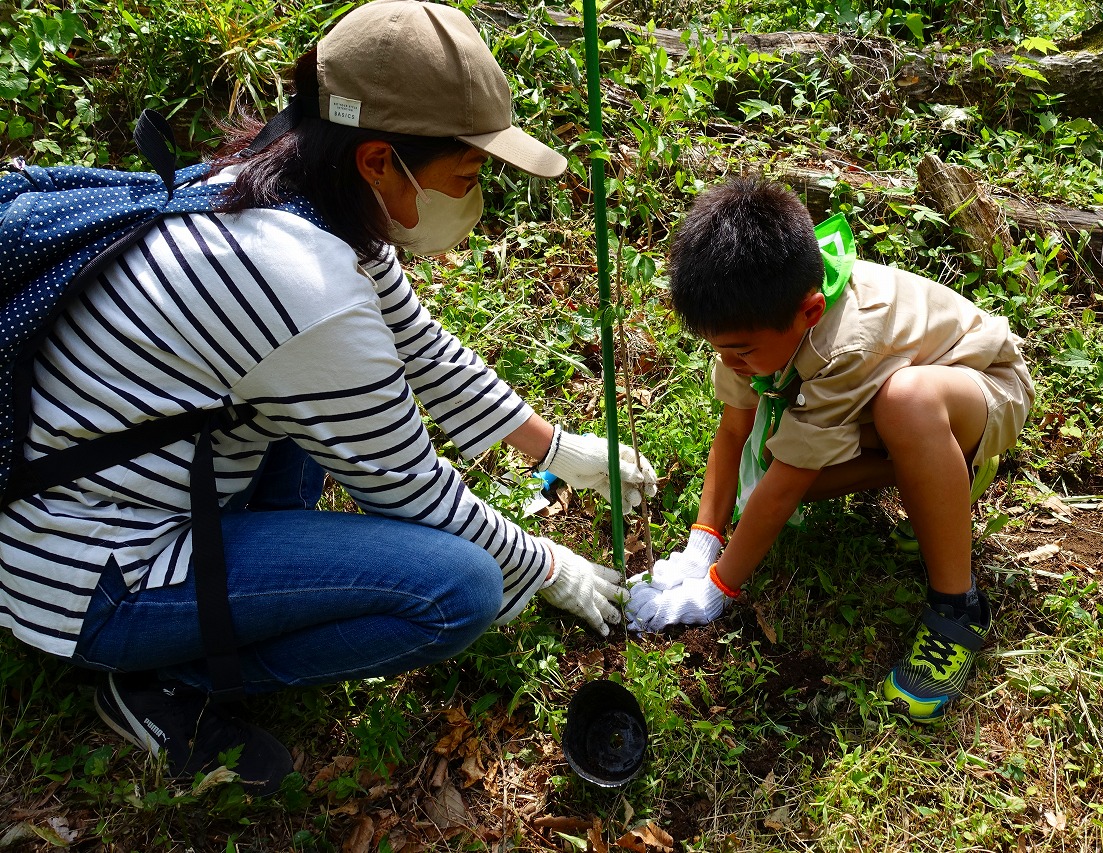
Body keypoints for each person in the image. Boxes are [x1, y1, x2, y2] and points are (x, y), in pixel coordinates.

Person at [0, 0, 655, 794]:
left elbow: (421, 348)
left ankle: (214, 614)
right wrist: (548, 565)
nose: (474, 198)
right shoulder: (306, 292)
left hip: (115, 496)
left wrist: (554, 448)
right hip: (92, 577)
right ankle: (168, 677)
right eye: (468, 173)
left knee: (315, 433)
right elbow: (418, 496)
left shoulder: (288, 187)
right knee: (462, 588)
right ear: (380, 159)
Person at [625, 177, 1034, 722]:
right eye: (719, 352)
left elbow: (782, 492)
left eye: (740, 353)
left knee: (902, 402)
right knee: (779, 458)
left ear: (810, 312)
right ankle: (936, 477)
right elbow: (734, 432)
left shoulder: (846, 339)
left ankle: (958, 607)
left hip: (982, 389)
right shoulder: (756, 319)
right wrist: (704, 543)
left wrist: (717, 587)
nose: (731, 365)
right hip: (884, 399)